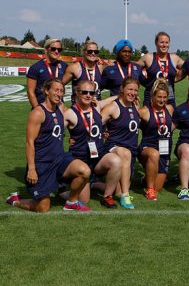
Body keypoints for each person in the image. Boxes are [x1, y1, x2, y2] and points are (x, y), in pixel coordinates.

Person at [6, 79, 91, 212]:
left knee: (84, 171)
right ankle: (15, 201)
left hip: (59, 159)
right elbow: (29, 142)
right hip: (42, 164)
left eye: (62, 91)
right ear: (46, 91)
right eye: (56, 90)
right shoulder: (38, 113)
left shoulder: (60, 108)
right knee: (43, 207)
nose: (59, 94)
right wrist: (32, 169)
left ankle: (71, 202)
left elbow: (76, 118)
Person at [64, 79, 121, 208]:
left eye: (91, 93)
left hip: (98, 157)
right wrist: (66, 137)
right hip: (81, 159)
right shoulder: (70, 113)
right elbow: (54, 131)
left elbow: (114, 99)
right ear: (76, 93)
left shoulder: (96, 106)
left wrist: (124, 95)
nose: (88, 95)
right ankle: (63, 193)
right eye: (84, 92)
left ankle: (107, 196)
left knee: (116, 162)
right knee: (84, 200)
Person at [101, 76, 141, 209]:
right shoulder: (113, 107)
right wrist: (102, 132)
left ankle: (94, 184)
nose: (133, 93)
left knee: (116, 190)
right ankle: (125, 196)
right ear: (122, 89)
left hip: (131, 151)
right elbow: (95, 124)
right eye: (130, 89)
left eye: (135, 90)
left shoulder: (135, 105)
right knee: (125, 153)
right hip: (114, 147)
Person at [137, 78, 174, 201]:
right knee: (154, 154)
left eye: (164, 97)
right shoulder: (144, 111)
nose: (162, 100)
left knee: (158, 186)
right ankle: (150, 191)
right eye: (159, 97)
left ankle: (145, 180)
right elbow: (127, 123)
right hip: (147, 149)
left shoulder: (170, 109)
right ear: (152, 96)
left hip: (164, 152)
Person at [138, 31, 184, 106]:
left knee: (170, 117)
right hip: (151, 98)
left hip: (169, 98)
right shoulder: (148, 57)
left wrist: (176, 78)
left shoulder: (175, 58)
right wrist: (146, 82)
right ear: (156, 43)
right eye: (162, 42)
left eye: (167, 42)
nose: (164, 45)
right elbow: (133, 69)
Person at [26, 38, 68, 108]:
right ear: (46, 49)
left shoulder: (64, 66)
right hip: (42, 107)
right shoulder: (36, 67)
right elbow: (30, 92)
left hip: (59, 107)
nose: (56, 51)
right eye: (53, 49)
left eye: (59, 49)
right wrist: (38, 110)